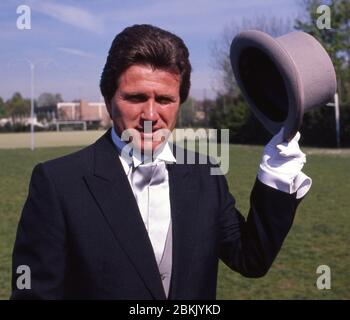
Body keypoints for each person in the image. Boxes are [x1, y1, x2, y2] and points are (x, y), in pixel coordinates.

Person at [11, 24, 311, 300]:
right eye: (136, 97)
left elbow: (250, 259)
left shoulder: (207, 173)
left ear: (180, 101)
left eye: (165, 100)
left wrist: (276, 175)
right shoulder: (57, 183)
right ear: (108, 100)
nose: (151, 115)